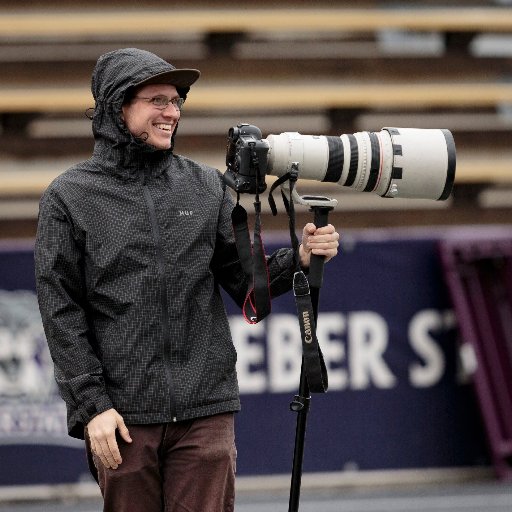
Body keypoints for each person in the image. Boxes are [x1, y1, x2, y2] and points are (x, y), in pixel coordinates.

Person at [35, 48, 339, 512]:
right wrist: (92, 406)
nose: (172, 112)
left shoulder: (204, 185)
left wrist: (298, 257)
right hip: (122, 415)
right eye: (157, 100)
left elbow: (242, 279)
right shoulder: (69, 197)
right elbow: (61, 312)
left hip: (206, 408)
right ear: (119, 105)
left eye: (177, 101)